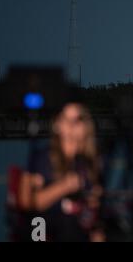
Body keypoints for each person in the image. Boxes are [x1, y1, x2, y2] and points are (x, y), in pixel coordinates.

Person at [18, 103, 104, 242]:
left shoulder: (91, 162)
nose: (71, 125)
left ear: (86, 126)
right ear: (57, 124)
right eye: (65, 119)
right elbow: (27, 202)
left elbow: (94, 219)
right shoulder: (42, 157)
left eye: (77, 120)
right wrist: (64, 186)